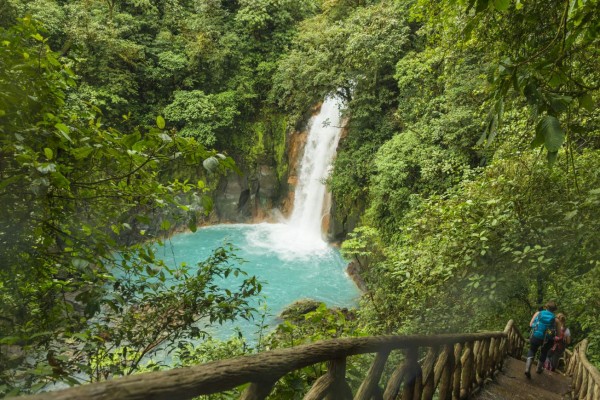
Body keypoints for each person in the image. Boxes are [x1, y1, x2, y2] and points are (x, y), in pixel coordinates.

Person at [525, 300, 558, 378]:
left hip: (536, 335)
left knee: (532, 350)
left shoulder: (539, 313)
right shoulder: (555, 319)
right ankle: (539, 369)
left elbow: (530, 324)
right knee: (544, 352)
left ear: (546, 306)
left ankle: (527, 368)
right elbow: (558, 333)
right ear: (554, 309)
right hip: (547, 339)